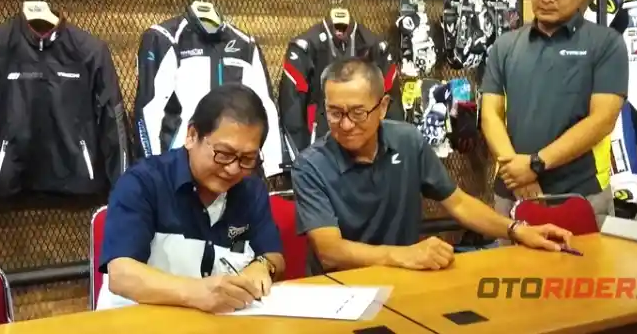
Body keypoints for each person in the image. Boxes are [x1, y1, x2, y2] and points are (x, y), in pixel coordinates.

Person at [292, 57, 573, 275]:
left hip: (405, 279)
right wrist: (404, 255)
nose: (345, 124)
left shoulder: (407, 141)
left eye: (357, 112)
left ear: (383, 107)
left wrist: (517, 229)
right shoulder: (310, 165)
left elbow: (458, 203)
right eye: (335, 113)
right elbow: (330, 252)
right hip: (341, 289)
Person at [480, 0, 628, 230]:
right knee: (509, 262)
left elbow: (602, 119)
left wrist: (535, 165)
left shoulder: (606, 44)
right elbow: (490, 115)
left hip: (580, 195)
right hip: (513, 194)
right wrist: (517, 174)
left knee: (587, 262)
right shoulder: (505, 45)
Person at [97, 84, 285, 313]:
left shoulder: (251, 189)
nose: (233, 169)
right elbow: (121, 274)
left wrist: (261, 265)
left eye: (247, 159)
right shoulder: (142, 183)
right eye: (224, 154)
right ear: (192, 136)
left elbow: (273, 254)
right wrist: (198, 293)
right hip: (137, 319)